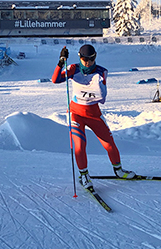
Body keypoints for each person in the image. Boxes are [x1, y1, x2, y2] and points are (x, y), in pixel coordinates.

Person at [51, 44, 136, 189]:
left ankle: (119, 171)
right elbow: (55, 79)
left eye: (91, 59)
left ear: (95, 57)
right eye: (84, 59)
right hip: (75, 114)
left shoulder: (102, 72)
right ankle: (84, 176)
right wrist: (61, 62)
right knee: (79, 146)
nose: (87, 62)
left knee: (109, 143)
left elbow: (102, 97)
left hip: (93, 114)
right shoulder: (73, 69)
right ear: (80, 57)